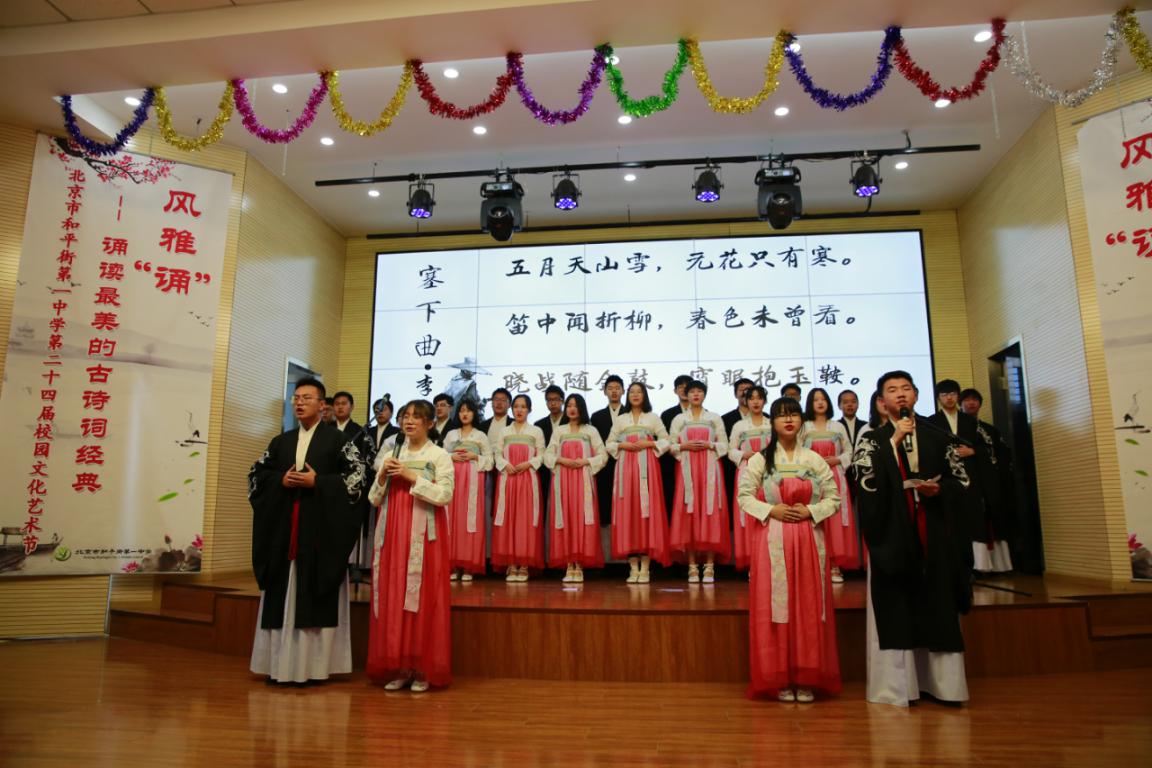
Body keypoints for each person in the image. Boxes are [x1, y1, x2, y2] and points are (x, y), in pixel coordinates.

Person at [853, 371, 972, 707]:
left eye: (906, 388)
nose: (901, 395)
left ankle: (944, 687)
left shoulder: (938, 436)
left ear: (917, 396)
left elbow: (962, 481)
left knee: (939, 601)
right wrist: (893, 442)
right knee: (896, 605)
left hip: (933, 530)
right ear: (881, 401)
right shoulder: (872, 440)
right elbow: (864, 484)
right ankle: (898, 687)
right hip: (893, 532)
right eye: (892, 390)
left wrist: (940, 489)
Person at [247, 377, 366, 685]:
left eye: (307, 398)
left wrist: (320, 483)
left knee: (315, 593)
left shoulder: (338, 441)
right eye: (296, 398)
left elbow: (358, 479)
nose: (299, 403)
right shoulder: (280, 441)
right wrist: (280, 481)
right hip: (284, 534)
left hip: (319, 536)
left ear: (322, 405)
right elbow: (256, 475)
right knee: (282, 594)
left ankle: (313, 669)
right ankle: (279, 667)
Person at [739, 396, 842, 703]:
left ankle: (807, 675)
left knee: (808, 604)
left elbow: (834, 498)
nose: (788, 420)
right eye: (782, 415)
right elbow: (744, 496)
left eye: (794, 414)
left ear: (801, 421)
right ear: (772, 422)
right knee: (775, 606)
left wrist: (811, 511)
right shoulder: (760, 460)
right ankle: (778, 675)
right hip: (772, 539)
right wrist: (772, 510)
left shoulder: (814, 459)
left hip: (808, 539)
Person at [366, 399, 455, 692]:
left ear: (429, 423)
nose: (409, 421)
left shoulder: (439, 455)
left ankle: (422, 667)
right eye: (405, 416)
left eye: (417, 417)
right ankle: (400, 665)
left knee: (422, 597)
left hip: (424, 536)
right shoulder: (393, 453)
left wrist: (410, 476)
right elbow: (374, 498)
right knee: (394, 594)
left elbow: (445, 495)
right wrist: (382, 475)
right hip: (393, 533)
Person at [606, 382, 671, 582]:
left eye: (639, 392)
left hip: (647, 468)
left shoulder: (653, 417)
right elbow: (609, 443)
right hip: (625, 468)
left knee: (646, 513)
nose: (635, 395)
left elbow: (667, 440)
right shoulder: (621, 419)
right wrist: (622, 445)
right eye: (632, 392)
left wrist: (649, 443)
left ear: (644, 395)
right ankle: (633, 567)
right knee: (628, 512)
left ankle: (646, 568)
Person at [928, 378, 992, 574]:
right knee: (949, 518)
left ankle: (978, 565)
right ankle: (953, 564)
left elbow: (987, 447)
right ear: (938, 398)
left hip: (970, 474)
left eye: (953, 394)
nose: (949, 398)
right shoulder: (931, 422)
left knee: (973, 515)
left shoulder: (970, 420)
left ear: (957, 396)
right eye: (944, 394)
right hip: (946, 476)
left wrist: (973, 451)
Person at [669, 380, 730, 583]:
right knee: (689, 512)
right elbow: (670, 445)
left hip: (710, 468)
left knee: (710, 511)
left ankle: (710, 565)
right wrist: (684, 446)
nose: (696, 394)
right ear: (686, 395)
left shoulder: (714, 418)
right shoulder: (679, 419)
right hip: (687, 469)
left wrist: (710, 445)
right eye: (692, 391)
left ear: (704, 395)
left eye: (700, 391)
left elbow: (725, 445)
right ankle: (692, 565)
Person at [544, 393, 606, 582]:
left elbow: (603, 455)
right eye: (569, 405)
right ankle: (568, 563)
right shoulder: (559, 431)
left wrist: (585, 461)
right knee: (566, 518)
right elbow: (548, 455)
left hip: (583, 480)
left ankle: (579, 564)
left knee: (581, 519)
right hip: (563, 480)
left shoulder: (590, 430)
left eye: (576, 405)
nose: (572, 409)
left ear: (582, 408)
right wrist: (561, 460)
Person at [800, 388, 857, 582]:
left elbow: (849, 451)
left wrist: (837, 459)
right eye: (816, 399)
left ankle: (834, 566)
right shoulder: (804, 427)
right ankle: (814, 565)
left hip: (834, 477)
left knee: (835, 519)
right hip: (811, 479)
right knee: (815, 518)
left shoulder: (838, 426)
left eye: (823, 399)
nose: (820, 402)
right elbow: (797, 451)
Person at [959, 388, 1015, 573]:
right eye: (967, 400)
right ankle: (978, 565)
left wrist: (976, 451)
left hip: (991, 483)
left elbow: (1002, 454)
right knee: (974, 523)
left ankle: (999, 564)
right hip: (969, 483)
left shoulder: (990, 430)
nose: (971, 403)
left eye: (975, 400)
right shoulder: (957, 429)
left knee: (995, 521)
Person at [491, 394, 546, 582]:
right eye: (516, 406)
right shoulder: (504, 432)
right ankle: (511, 563)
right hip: (508, 479)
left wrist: (529, 463)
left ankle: (524, 564)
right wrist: (505, 464)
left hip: (527, 479)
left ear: (529, 409)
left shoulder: (536, 431)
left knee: (525, 520)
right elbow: (497, 453)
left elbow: (542, 454)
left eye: (523, 406)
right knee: (508, 519)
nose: (519, 410)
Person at [442, 399, 492, 582]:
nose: (464, 414)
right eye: (462, 410)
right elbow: (441, 455)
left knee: (470, 520)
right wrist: (451, 456)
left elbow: (490, 460)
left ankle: (469, 565)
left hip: (472, 480)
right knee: (453, 519)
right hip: (454, 478)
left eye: (468, 411)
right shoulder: (451, 434)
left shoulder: (480, 435)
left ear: (474, 414)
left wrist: (475, 456)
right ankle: (453, 564)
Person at [728, 385, 773, 572]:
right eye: (751, 398)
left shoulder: (771, 423)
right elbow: (731, 450)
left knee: (769, 511)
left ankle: (769, 561)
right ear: (746, 401)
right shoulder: (739, 425)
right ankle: (752, 563)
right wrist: (744, 454)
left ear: (764, 401)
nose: (755, 402)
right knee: (747, 514)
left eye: (759, 398)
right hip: (747, 471)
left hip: (769, 472)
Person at [591, 375, 626, 528]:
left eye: (617, 388)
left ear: (623, 391)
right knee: (605, 505)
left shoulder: (630, 413)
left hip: (626, 464)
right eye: (610, 388)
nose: (614, 391)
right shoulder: (596, 416)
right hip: (604, 467)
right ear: (604, 391)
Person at [660, 374, 692, 519]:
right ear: (675, 391)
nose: (684, 390)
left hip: (698, 462)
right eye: (680, 387)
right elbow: (664, 441)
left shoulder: (706, 415)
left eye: (687, 387)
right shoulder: (667, 414)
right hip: (673, 463)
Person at [535, 384, 566, 520]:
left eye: (556, 399)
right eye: (549, 400)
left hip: (566, 467)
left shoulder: (570, 421)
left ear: (562, 401)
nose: (552, 403)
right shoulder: (539, 425)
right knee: (545, 504)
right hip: (545, 469)